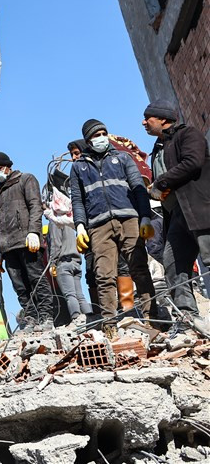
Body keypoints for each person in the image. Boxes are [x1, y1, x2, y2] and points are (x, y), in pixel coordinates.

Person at [70, 119, 157, 337]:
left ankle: (152, 317)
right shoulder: (79, 167)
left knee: (139, 267)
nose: (101, 137)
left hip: (128, 219)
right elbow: (77, 200)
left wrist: (144, 217)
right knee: (104, 274)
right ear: (88, 140)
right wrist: (80, 226)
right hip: (98, 225)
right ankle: (109, 324)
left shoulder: (122, 157)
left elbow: (138, 189)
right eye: (96, 134)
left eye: (103, 133)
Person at [143, 100, 210, 326]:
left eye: (148, 117)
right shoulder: (158, 149)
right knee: (173, 265)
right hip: (177, 215)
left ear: (162, 119)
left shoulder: (188, 134)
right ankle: (187, 318)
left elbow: (192, 162)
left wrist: (160, 183)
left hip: (201, 210)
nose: (144, 122)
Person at [0, 151, 55, 330]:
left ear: (8, 166)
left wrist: (34, 232)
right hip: (8, 246)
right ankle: (31, 319)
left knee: (36, 279)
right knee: (20, 286)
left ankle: (47, 317)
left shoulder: (26, 180)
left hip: (27, 241)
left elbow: (35, 206)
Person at [45, 169, 92, 326]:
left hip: (63, 263)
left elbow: (56, 244)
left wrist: (52, 263)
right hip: (77, 262)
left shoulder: (56, 221)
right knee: (80, 295)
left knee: (70, 295)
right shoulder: (72, 218)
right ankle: (90, 319)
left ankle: (76, 321)